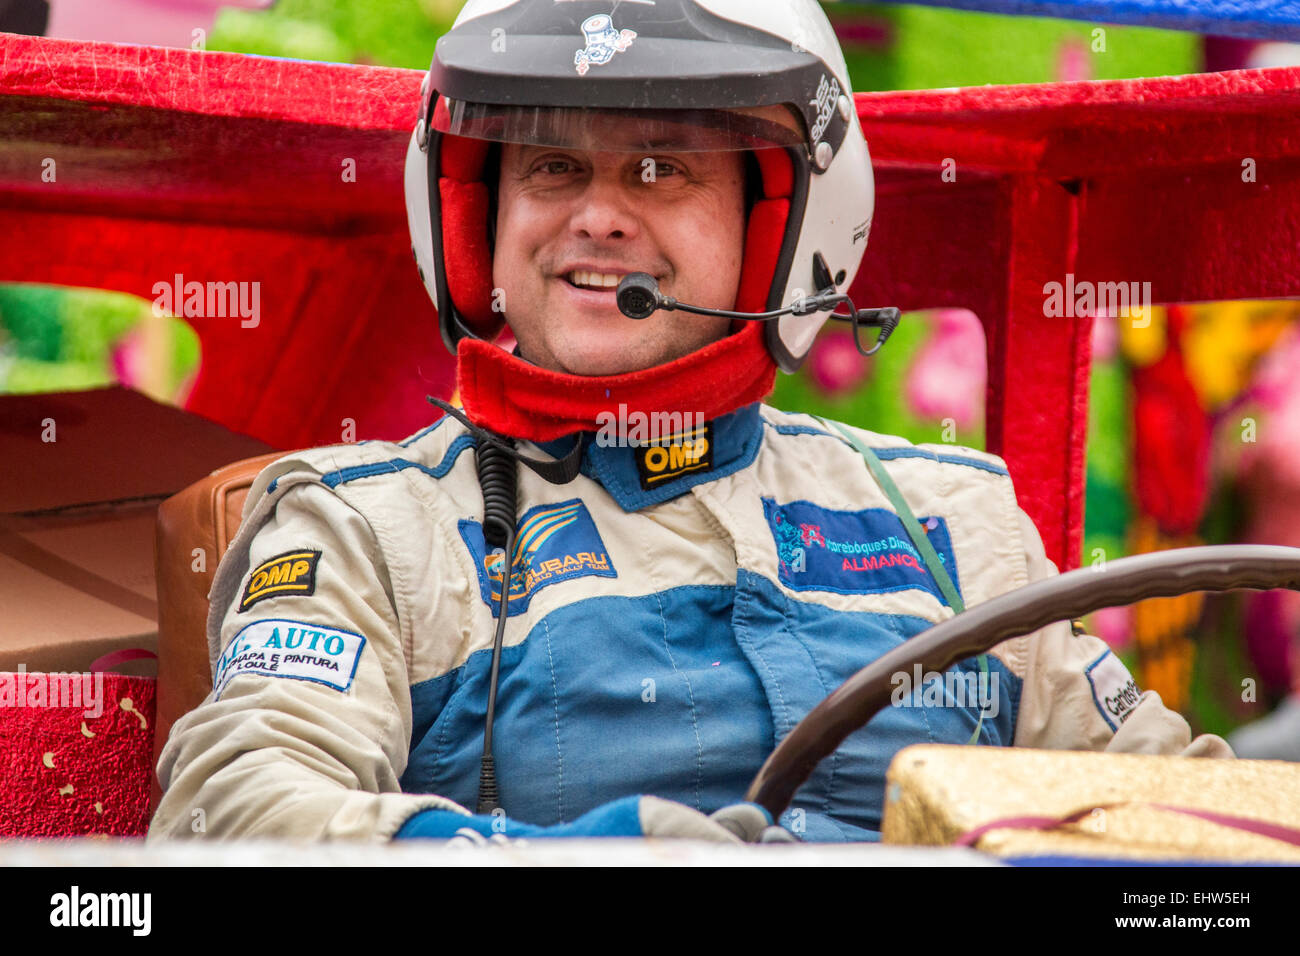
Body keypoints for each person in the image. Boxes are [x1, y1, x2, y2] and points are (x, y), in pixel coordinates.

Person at [149, 0, 1230, 846]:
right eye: (552, 166)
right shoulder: (370, 531)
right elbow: (235, 810)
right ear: (475, 216)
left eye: (659, 167)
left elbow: (1178, 813)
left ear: (783, 222)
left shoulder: (949, 515)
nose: (600, 213)